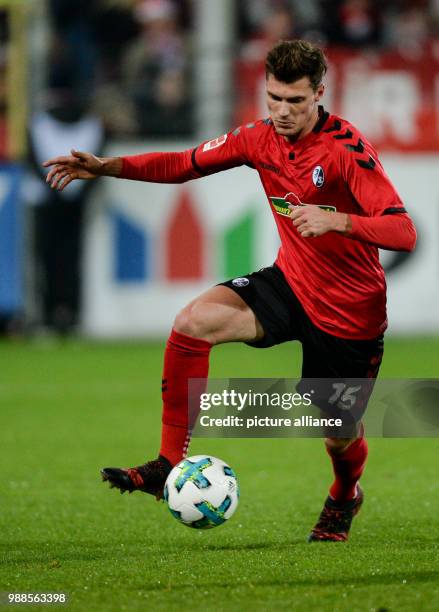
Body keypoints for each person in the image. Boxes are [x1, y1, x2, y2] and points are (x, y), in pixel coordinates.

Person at [43, 40, 416, 542]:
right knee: (193, 322)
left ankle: (345, 495)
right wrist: (109, 166)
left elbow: (403, 231)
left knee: (338, 434)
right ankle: (167, 464)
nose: (282, 112)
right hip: (291, 284)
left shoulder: (348, 150)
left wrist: (341, 220)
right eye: (274, 98)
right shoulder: (257, 138)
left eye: (295, 102)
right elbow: (184, 162)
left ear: (319, 94)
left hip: (350, 314)